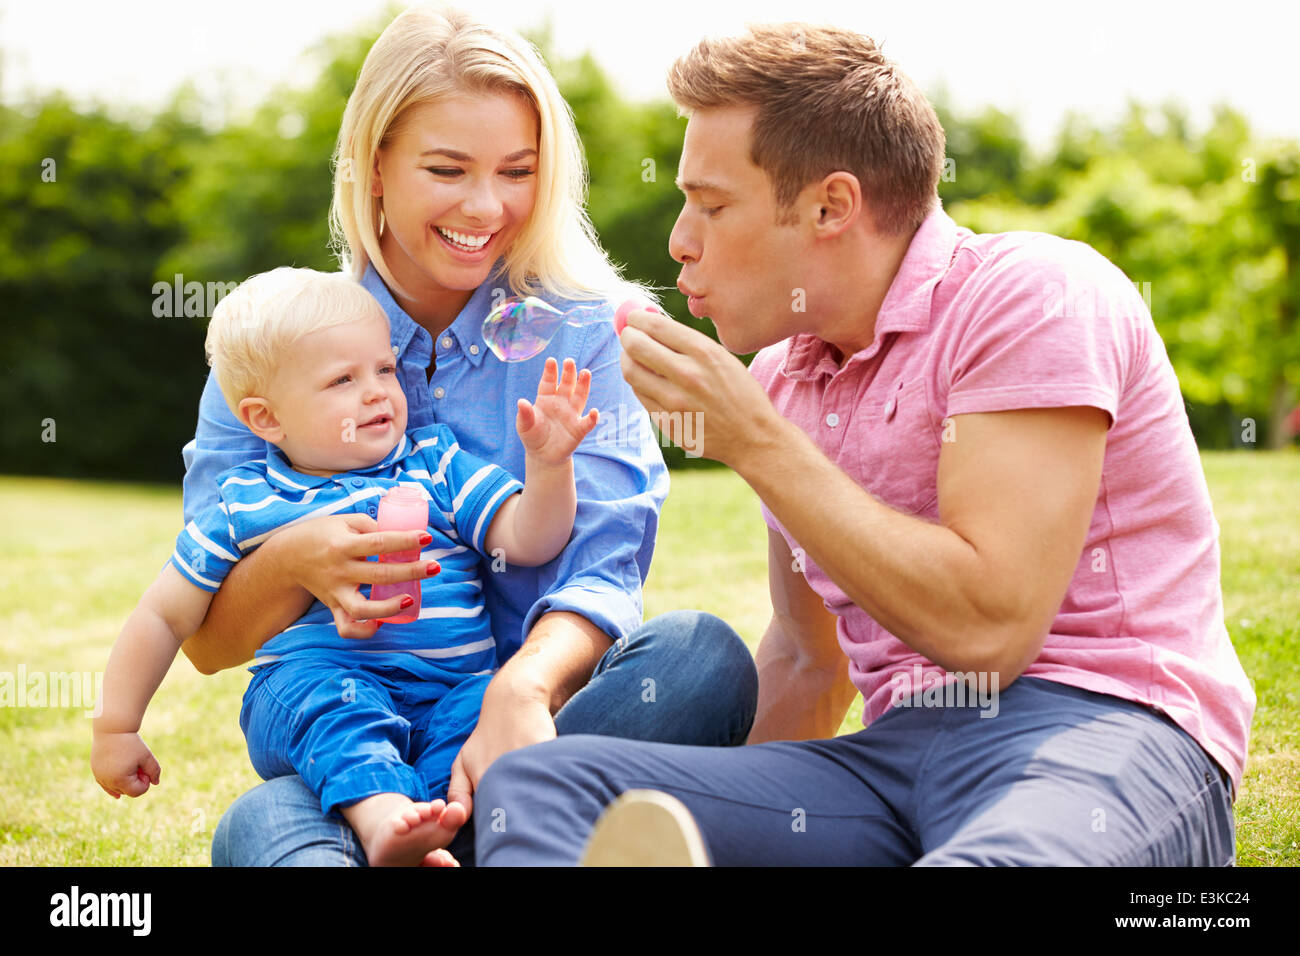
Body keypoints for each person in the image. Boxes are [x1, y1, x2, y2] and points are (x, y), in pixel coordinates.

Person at [471, 22, 1256, 866]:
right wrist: (725, 819)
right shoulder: (782, 381)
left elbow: (991, 631)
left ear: (830, 208)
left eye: (712, 202)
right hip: (892, 765)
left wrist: (756, 443)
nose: (679, 240)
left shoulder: (1035, 295)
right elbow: (810, 662)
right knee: (544, 787)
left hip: (1097, 731)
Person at [177, 6, 758, 867]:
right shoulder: (281, 346)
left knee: (700, 658)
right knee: (258, 827)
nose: (486, 207)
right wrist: (296, 557)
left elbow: (601, 567)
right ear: (374, 168)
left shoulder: (588, 331)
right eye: (447, 169)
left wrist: (518, 693)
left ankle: (484, 827)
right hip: (357, 743)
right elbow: (209, 640)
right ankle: (514, 839)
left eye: (517, 172)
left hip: (544, 718)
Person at [94, 267, 602, 866]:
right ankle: (384, 817)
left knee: (489, 717)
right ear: (266, 419)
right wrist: (115, 728)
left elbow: (530, 539)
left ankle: (436, 829)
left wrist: (548, 464)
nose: (378, 391)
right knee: (336, 709)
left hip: (453, 689)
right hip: (320, 684)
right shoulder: (247, 505)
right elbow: (163, 617)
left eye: (385, 369)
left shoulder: (434, 463)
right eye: (343, 379)